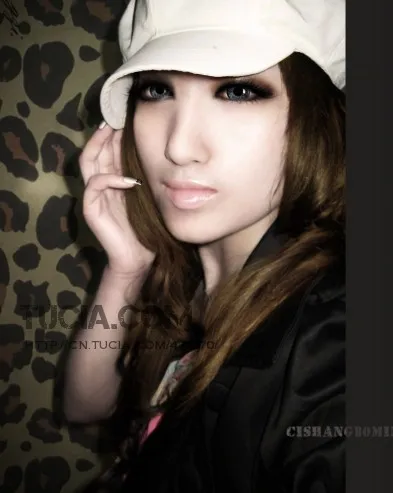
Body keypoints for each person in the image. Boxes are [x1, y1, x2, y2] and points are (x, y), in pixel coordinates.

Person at [62, 0, 346, 491]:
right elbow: (84, 407)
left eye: (237, 91)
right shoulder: (185, 273)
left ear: (315, 120)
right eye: (157, 90)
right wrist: (125, 270)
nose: (178, 146)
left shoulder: (330, 327)